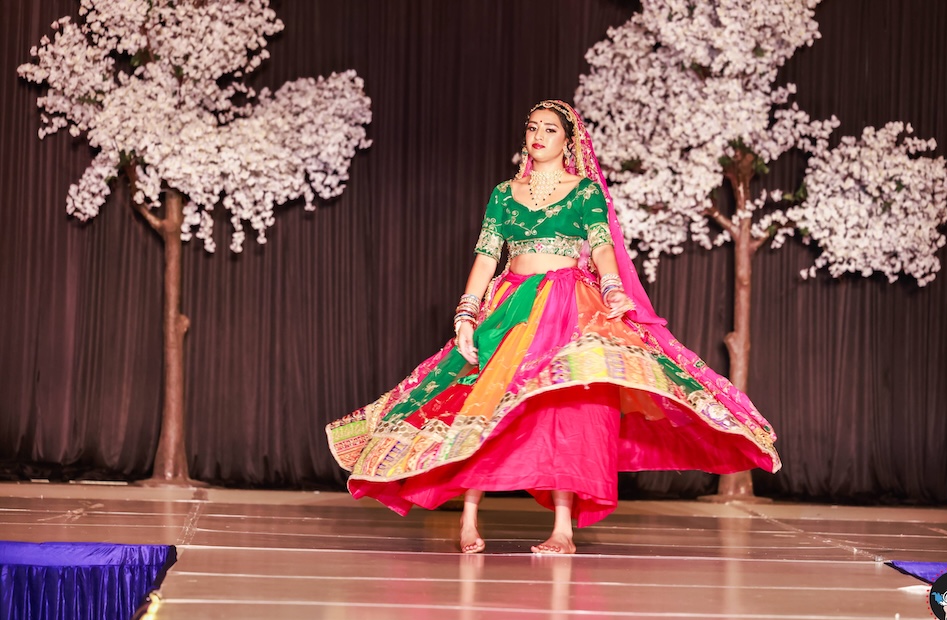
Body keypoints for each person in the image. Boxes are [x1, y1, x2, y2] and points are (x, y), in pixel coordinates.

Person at [326, 100, 780, 555]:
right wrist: (466, 313)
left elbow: (601, 246)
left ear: (568, 141)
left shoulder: (584, 191)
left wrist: (612, 287)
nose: (538, 135)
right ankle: (468, 520)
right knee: (482, 401)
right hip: (510, 307)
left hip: (567, 303)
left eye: (549, 129)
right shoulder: (504, 193)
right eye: (532, 127)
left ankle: (563, 528)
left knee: (568, 407)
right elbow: (486, 256)